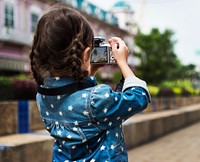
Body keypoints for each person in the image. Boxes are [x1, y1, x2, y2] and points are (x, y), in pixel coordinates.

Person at [29, 3, 151, 162]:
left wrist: (90, 70)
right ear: (87, 54)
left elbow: (79, 100)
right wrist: (123, 63)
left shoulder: (42, 97)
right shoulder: (95, 101)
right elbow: (139, 97)